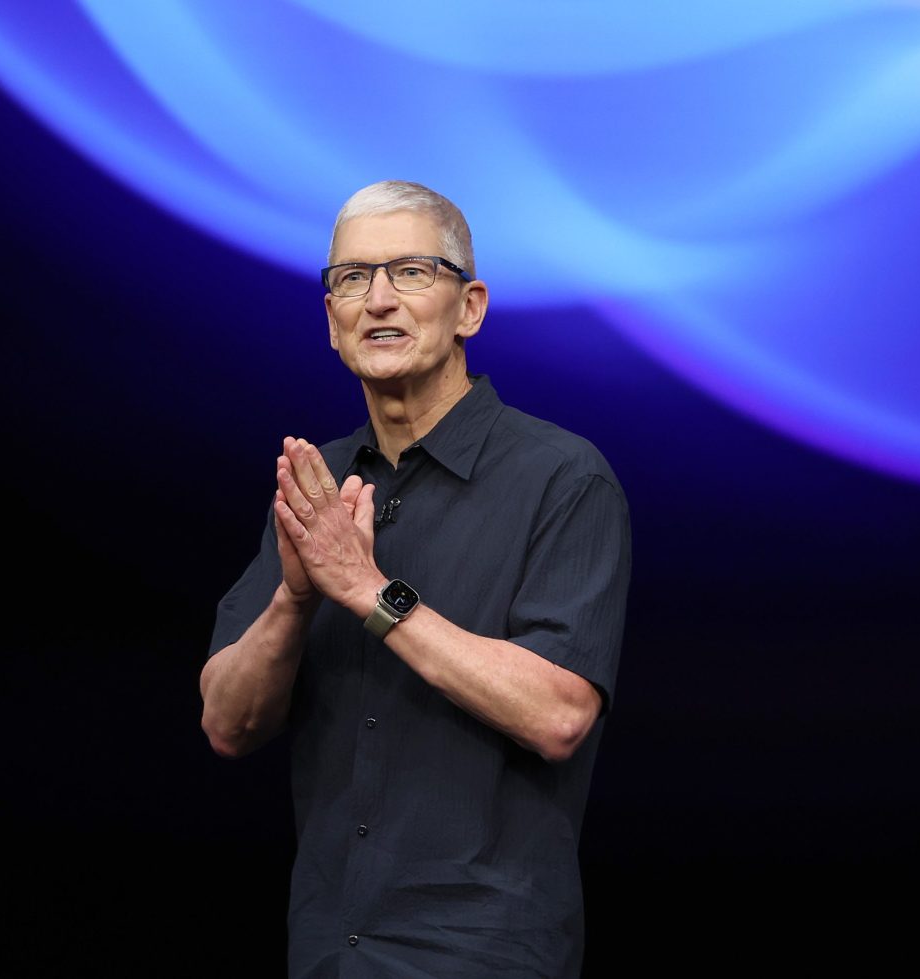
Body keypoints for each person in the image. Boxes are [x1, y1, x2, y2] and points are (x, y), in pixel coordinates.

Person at [199, 180, 631, 977]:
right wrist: (296, 597)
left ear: (470, 306)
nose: (378, 299)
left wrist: (368, 592)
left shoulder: (562, 477)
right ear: (331, 320)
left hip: (483, 953)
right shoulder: (317, 487)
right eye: (353, 279)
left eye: (410, 272)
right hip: (328, 948)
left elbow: (559, 713)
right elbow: (227, 723)